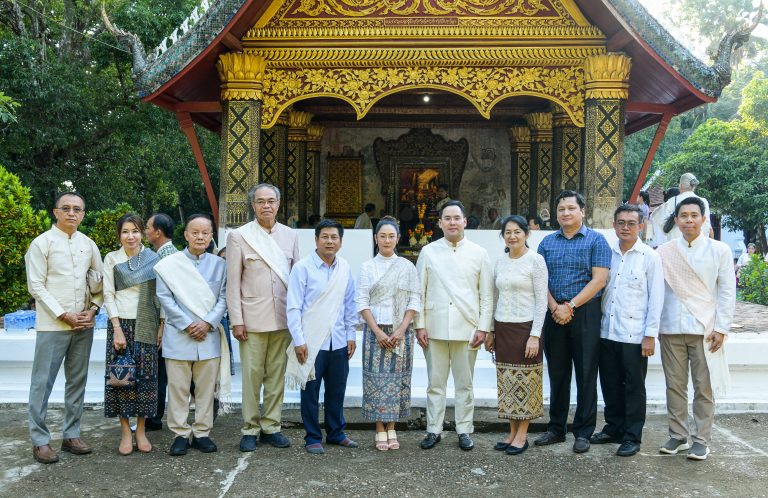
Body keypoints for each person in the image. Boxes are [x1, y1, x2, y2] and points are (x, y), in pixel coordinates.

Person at [25, 192, 103, 464]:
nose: (72, 213)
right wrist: (63, 314)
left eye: (78, 209)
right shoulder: (41, 243)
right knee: (42, 383)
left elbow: (99, 281)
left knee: (77, 380)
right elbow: (35, 285)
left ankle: (71, 434)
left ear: (83, 214)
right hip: (52, 324)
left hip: (83, 324)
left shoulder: (88, 244)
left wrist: (92, 310)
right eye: (66, 208)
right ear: (55, 212)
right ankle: (40, 440)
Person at [656, 197, 736, 460]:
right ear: (676, 220)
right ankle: (677, 436)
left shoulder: (719, 250)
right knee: (675, 385)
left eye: (694, 215)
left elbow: (726, 293)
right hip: (671, 327)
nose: (689, 220)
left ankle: (701, 439)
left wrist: (722, 328)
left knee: (704, 386)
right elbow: (657, 292)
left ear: (703, 219)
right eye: (683, 216)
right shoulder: (664, 252)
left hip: (705, 328)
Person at [535, 190, 611, 453]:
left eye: (570, 208)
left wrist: (571, 306)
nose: (565, 213)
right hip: (553, 311)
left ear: (583, 211)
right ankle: (556, 427)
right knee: (557, 372)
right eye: (561, 209)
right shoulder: (546, 243)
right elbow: (539, 279)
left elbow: (599, 279)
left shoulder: (596, 241)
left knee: (586, 372)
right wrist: (555, 306)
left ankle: (583, 431)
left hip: (584, 313)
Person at [415, 200, 494, 451]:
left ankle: (464, 429)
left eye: (456, 218)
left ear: (464, 221)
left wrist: (483, 327)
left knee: (465, 384)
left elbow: (486, 295)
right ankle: (433, 429)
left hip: (467, 328)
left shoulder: (479, 253)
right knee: (435, 383)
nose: (452, 222)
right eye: (447, 218)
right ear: (439, 223)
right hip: (434, 327)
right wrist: (419, 325)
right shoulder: (428, 252)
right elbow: (419, 292)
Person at [227, 183, 299, 452]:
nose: (266, 206)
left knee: (276, 376)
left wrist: (297, 320)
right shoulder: (239, 236)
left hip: (282, 319)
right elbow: (232, 283)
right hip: (252, 319)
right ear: (253, 205)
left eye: (271, 201)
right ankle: (250, 428)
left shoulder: (290, 236)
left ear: (279, 204)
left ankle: (272, 426)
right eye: (260, 201)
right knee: (252, 376)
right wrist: (237, 320)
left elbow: (297, 282)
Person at [591, 205, 664, 457]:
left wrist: (650, 335)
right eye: (621, 222)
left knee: (634, 387)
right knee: (609, 384)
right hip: (606, 331)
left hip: (635, 335)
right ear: (614, 225)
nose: (625, 227)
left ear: (640, 226)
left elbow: (656, 299)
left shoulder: (649, 257)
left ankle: (632, 436)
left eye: (631, 223)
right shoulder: (605, 254)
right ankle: (614, 428)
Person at [155, 214, 228, 456]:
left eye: (205, 233)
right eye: (194, 232)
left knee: (207, 389)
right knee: (178, 388)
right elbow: (165, 299)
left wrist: (207, 323)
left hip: (208, 336)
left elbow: (224, 299)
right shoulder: (169, 265)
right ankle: (179, 434)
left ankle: (202, 433)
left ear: (211, 236)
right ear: (185, 235)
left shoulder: (220, 265)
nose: (200, 237)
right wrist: (188, 324)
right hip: (179, 335)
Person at [286, 219, 358, 454]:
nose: (329, 241)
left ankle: (336, 433)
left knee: (337, 390)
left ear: (340, 241)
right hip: (311, 342)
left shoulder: (345, 268)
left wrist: (350, 335)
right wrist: (298, 340)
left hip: (338, 341)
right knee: (310, 391)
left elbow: (349, 305)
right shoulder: (302, 268)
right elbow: (294, 307)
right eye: (324, 236)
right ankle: (312, 436)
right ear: (316, 240)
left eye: (334, 237)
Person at [356, 217, 420, 451]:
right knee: (375, 380)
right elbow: (362, 301)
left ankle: (392, 426)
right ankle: (379, 428)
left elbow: (414, 299)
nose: (386, 240)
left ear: (398, 238)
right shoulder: (367, 267)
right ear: (375, 238)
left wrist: (401, 329)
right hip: (376, 331)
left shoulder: (407, 267)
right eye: (382, 236)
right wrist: (376, 332)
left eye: (391, 236)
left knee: (397, 379)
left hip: (400, 332)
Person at [487, 215, 547, 456]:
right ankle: (511, 432)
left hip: (526, 329)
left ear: (526, 234)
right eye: (507, 232)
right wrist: (491, 330)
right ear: (503, 236)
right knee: (508, 381)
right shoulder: (500, 262)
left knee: (527, 381)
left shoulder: (536, 261)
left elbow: (542, 301)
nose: (512, 236)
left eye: (517, 232)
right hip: (503, 328)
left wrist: (535, 335)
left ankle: (523, 434)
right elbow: (494, 298)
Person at [102, 213, 161, 456]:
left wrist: (162, 326)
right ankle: (126, 430)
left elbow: (161, 295)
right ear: (119, 235)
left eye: (135, 231)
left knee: (146, 378)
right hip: (121, 325)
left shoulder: (152, 258)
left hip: (147, 324)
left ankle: (141, 431)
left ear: (142, 234)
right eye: (125, 231)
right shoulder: (112, 259)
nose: (130, 236)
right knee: (122, 378)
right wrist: (117, 328)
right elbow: (108, 294)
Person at [143, 213, 178, 432]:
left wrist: (162, 325)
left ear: (158, 232)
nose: (145, 231)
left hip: (168, 323)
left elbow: (168, 295)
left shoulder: (165, 257)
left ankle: (155, 417)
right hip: (168, 322)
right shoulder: (165, 253)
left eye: (147, 227)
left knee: (161, 373)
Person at [649, 173, 711, 248]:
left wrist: (668, 230)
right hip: (698, 245)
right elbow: (707, 226)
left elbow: (655, 217)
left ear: (680, 185)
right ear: (694, 186)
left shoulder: (672, 201)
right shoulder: (704, 201)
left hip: (676, 244)